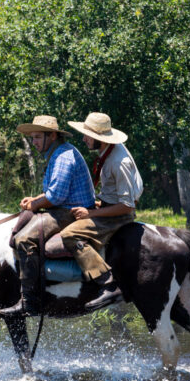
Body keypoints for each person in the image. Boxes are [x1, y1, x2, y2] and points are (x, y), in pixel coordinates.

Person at [0, 115, 96, 317]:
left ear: (51, 136)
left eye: (37, 137)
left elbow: (56, 196)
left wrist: (34, 204)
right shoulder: (59, 153)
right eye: (32, 137)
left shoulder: (63, 157)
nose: (34, 142)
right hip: (64, 207)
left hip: (69, 212)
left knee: (24, 239)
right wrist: (35, 199)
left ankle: (29, 302)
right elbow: (54, 192)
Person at [62, 112, 143, 311]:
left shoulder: (118, 162)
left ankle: (108, 283)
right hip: (109, 206)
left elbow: (127, 205)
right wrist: (99, 204)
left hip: (120, 216)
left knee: (70, 234)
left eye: (88, 136)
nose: (84, 139)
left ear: (101, 138)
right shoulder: (110, 151)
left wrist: (91, 214)